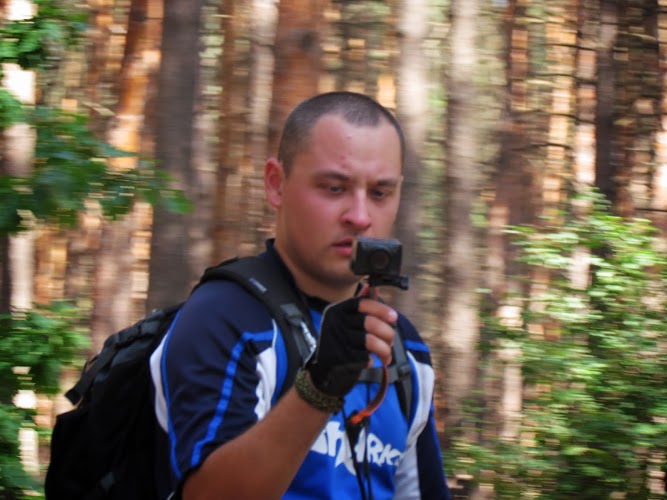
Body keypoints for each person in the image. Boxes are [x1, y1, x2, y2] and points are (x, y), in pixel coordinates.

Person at [149, 91, 451, 499]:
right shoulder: (225, 319)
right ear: (276, 184)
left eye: (380, 193)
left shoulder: (403, 348)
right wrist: (320, 388)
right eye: (334, 188)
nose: (360, 216)